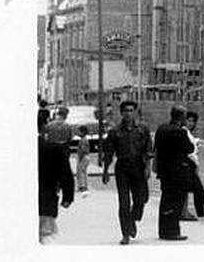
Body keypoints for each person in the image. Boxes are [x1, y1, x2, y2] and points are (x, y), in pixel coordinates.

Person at [102, 100, 153, 245]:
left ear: (135, 112)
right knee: (124, 202)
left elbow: (148, 150)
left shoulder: (142, 129)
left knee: (141, 198)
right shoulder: (115, 131)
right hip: (122, 168)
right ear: (121, 113)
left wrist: (148, 167)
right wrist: (105, 170)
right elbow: (109, 152)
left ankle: (132, 218)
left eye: (131, 110)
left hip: (138, 166)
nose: (128, 114)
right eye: (126, 111)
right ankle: (125, 233)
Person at [154, 105, 196, 241]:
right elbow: (189, 148)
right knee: (176, 202)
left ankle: (163, 229)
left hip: (164, 171)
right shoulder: (180, 132)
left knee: (165, 200)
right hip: (177, 172)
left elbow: (156, 148)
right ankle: (172, 230)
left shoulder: (161, 129)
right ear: (182, 117)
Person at [39, 111, 74, 244]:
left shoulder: (50, 126)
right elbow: (65, 173)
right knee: (44, 236)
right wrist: (68, 195)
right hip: (47, 197)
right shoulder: (66, 126)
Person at [181, 111, 204, 221]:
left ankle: (184, 211)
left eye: (193, 121)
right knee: (198, 190)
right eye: (189, 121)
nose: (191, 123)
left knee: (186, 189)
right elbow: (190, 152)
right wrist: (196, 165)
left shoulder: (188, 133)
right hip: (189, 164)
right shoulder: (184, 133)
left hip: (190, 164)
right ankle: (189, 212)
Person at [75, 126, 91, 198]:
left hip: (83, 157)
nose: (78, 133)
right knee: (83, 172)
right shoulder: (84, 139)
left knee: (81, 172)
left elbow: (83, 149)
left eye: (79, 131)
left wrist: (80, 158)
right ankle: (83, 185)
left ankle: (83, 186)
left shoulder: (83, 140)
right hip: (85, 157)